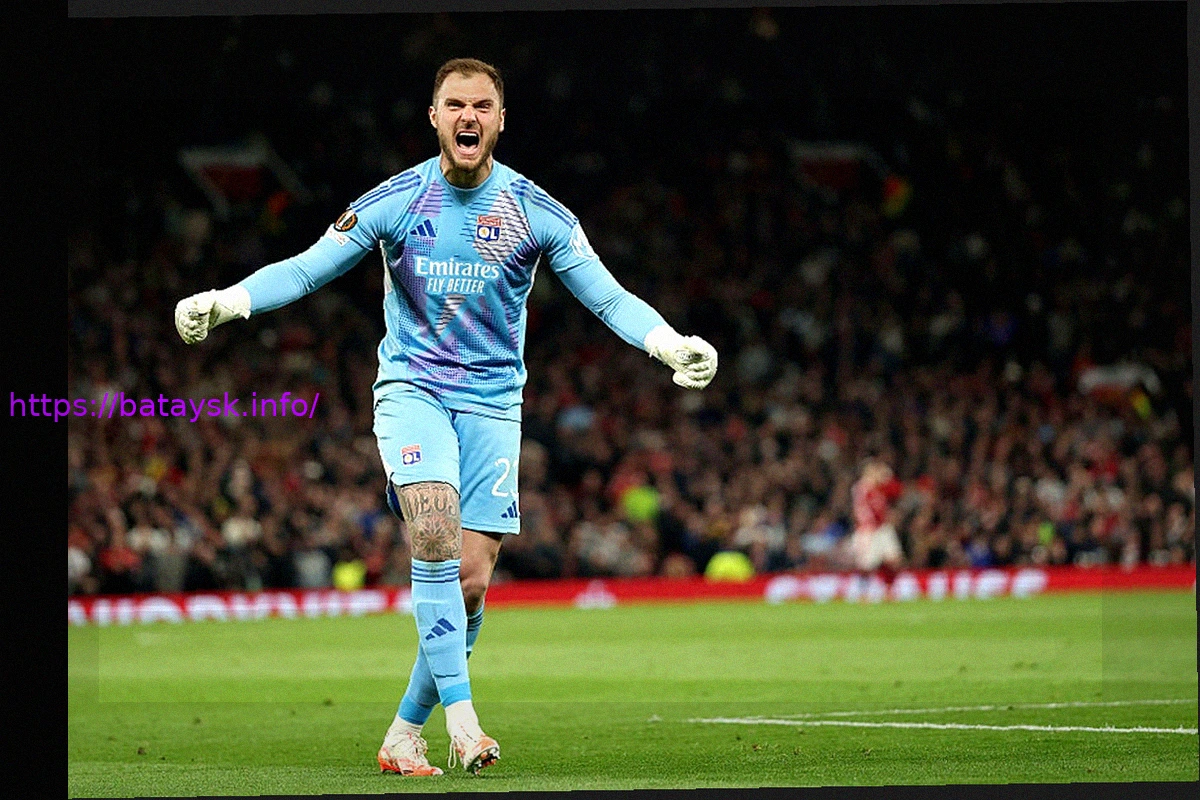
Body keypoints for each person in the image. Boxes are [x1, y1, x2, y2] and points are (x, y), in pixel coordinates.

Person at [173, 58, 718, 776]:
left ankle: (404, 734)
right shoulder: (398, 200)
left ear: (500, 120)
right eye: (455, 104)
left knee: (470, 580)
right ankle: (464, 725)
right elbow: (307, 267)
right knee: (432, 529)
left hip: (493, 402)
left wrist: (669, 344)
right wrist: (229, 302)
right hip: (413, 391)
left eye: (482, 105)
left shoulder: (536, 212)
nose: (468, 116)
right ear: (434, 117)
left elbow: (608, 297)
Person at [847, 459, 905, 583]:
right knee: (866, 567)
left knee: (895, 561)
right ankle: (862, 588)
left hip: (882, 528)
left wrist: (888, 476)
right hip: (867, 530)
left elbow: (898, 489)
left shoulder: (880, 489)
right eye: (874, 471)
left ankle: (888, 587)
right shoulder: (861, 488)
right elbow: (862, 511)